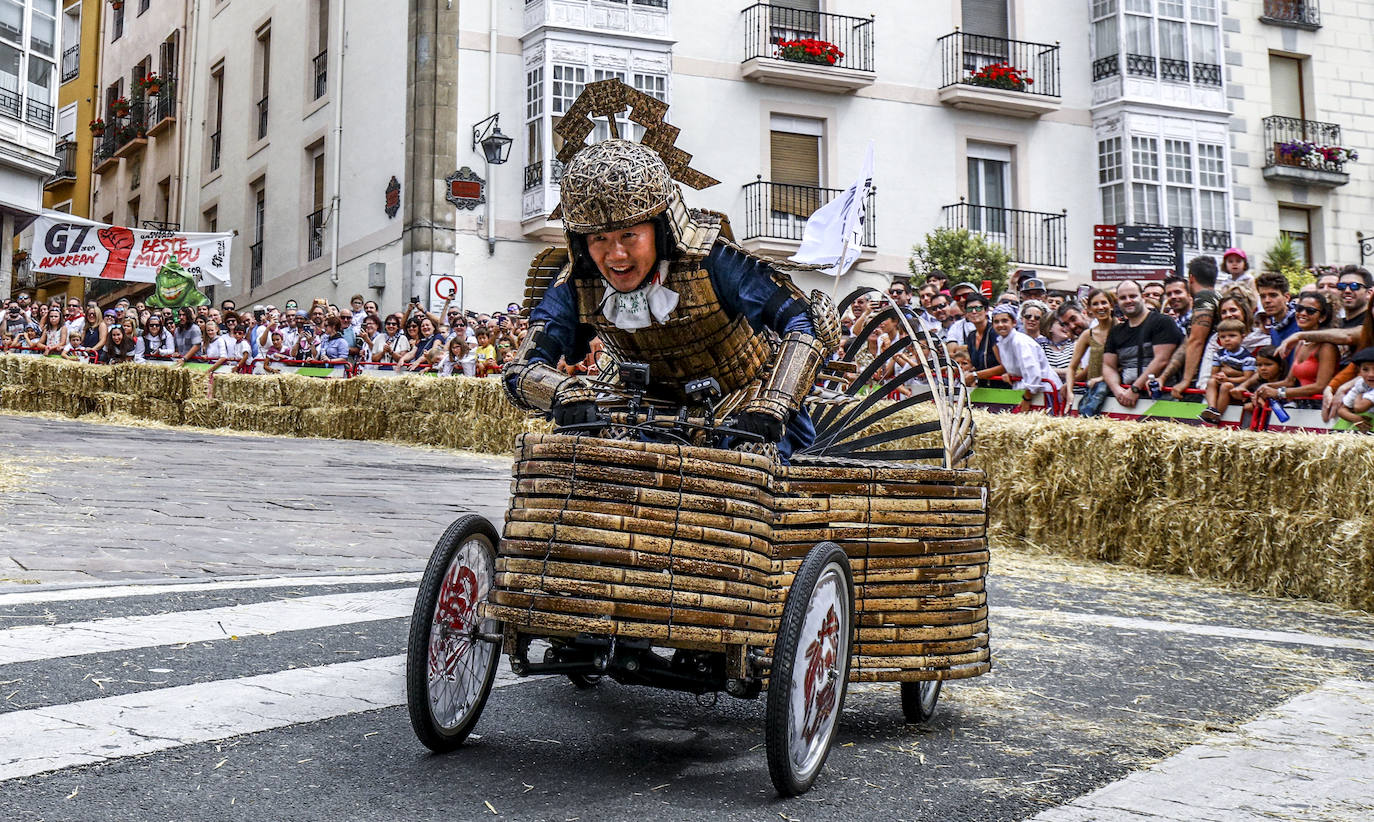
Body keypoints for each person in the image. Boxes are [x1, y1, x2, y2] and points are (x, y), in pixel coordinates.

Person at [504, 120, 830, 460]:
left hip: (742, 411)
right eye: (599, 238)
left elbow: (810, 322)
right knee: (576, 459)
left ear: (662, 228)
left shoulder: (716, 262)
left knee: (748, 463)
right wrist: (560, 393)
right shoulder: (576, 285)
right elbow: (522, 368)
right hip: (643, 414)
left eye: (629, 235)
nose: (616, 255)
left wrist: (775, 403)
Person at [1101, 280, 1183, 408]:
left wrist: (1135, 388)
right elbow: (1108, 365)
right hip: (1125, 400)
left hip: (1163, 399)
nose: (1128, 300)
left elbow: (1161, 360)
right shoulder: (1116, 331)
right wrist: (1118, 391)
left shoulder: (1163, 322)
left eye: (1133, 296)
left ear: (1143, 297)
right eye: (1123, 298)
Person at [1254, 292, 1337, 409]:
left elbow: (1321, 386)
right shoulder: (1300, 343)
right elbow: (1289, 381)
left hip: (1320, 408)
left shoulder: (1327, 347)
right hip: (1301, 406)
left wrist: (1280, 393)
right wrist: (1265, 387)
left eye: (1310, 311)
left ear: (1322, 317)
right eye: (1300, 308)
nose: (1303, 313)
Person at [1162, 256, 1219, 399]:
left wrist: (1186, 380)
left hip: (1203, 381)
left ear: (1191, 278)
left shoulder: (1204, 297)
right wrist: (1163, 377)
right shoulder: (1216, 296)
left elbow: (1196, 340)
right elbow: (1188, 342)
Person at [989, 303, 1061, 412]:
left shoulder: (1020, 342)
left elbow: (1034, 374)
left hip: (1043, 392)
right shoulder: (1001, 341)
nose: (1000, 325)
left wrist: (1026, 398)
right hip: (1027, 391)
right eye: (996, 322)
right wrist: (1010, 374)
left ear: (1013, 322)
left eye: (1004, 321)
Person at [1201, 320, 1257, 423]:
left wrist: (1228, 377)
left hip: (1239, 386)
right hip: (1224, 381)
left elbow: (1247, 378)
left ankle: (1218, 414)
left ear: (1242, 336)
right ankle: (1211, 408)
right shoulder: (1219, 353)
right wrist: (1219, 376)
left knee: (1226, 385)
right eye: (1223, 337)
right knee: (1211, 381)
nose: (1227, 340)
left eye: (1232, 336)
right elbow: (1214, 373)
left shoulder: (1247, 357)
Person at [959, 294, 1005, 388]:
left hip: (1002, 388)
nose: (974, 312)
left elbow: (1004, 366)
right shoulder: (971, 336)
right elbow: (979, 365)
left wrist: (976, 375)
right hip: (982, 388)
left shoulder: (994, 332)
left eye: (978, 308)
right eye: (970, 309)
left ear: (986, 310)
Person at [1256, 271, 1299, 350]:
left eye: (1273, 295)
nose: (1267, 300)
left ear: (1287, 297)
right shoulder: (1273, 327)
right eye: (1263, 296)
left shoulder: (1301, 322)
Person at [1335, 346, 1374, 431]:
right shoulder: (1361, 384)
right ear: (1359, 371)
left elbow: (1359, 407)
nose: (1371, 374)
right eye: (1365, 369)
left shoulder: (1360, 389)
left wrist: (1359, 394)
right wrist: (1356, 419)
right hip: (1359, 435)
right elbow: (1342, 409)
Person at [1337, 265, 1371, 331]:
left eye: (1354, 286)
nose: (1347, 290)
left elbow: (1349, 336)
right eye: (1342, 286)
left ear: (1369, 293)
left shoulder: (1371, 320)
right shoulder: (1336, 324)